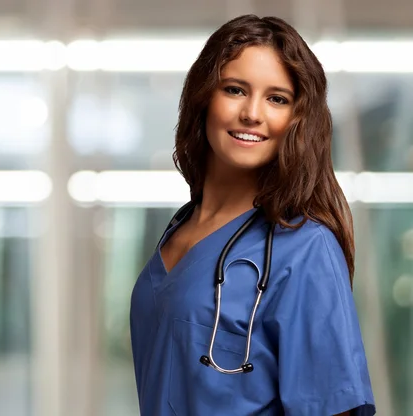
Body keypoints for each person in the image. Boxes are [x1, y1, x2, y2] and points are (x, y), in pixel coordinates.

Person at [129, 14, 376, 416]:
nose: (252, 113)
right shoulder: (178, 230)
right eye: (235, 89)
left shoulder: (305, 248)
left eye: (277, 98)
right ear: (204, 97)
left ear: (297, 119)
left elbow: (335, 408)